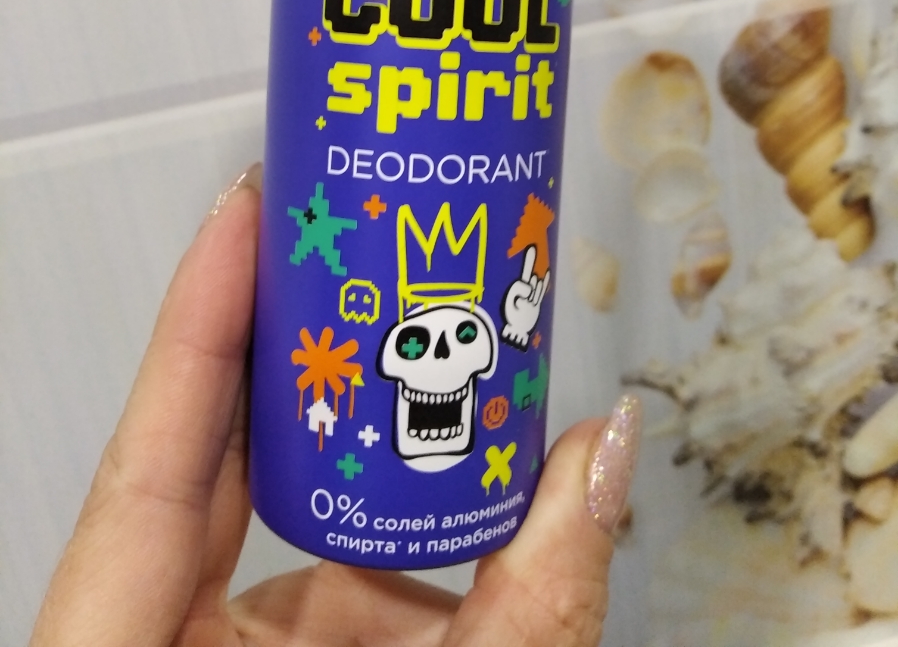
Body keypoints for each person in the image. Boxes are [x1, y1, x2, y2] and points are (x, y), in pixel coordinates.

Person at [29, 166, 641, 647]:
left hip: (484, 488)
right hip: (320, 493)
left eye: (463, 336)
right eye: (416, 345)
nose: (437, 356)